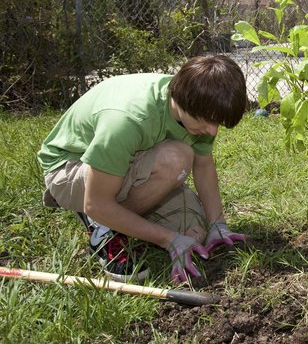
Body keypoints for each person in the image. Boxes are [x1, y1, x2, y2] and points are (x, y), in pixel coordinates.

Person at [37, 55, 248, 283]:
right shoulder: (128, 118)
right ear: (183, 101)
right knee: (176, 159)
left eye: (217, 123)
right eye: (208, 121)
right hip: (71, 168)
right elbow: (95, 203)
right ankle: (103, 228)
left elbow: (204, 165)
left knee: (195, 234)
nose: (213, 131)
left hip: (130, 163)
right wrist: (168, 240)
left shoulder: (198, 105)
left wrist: (218, 224)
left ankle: (119, 219)